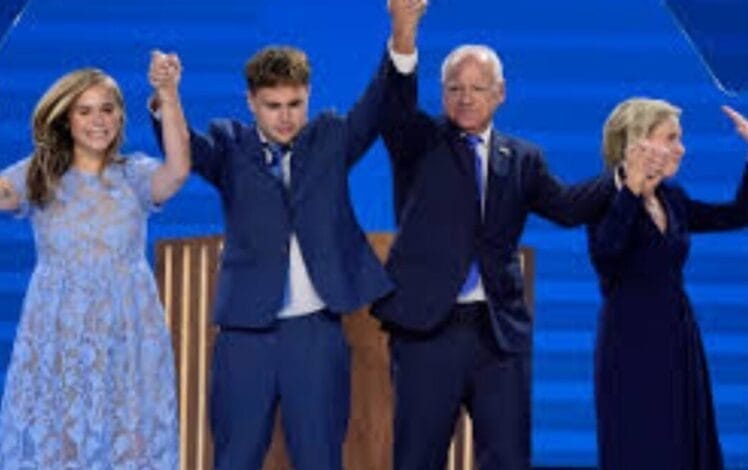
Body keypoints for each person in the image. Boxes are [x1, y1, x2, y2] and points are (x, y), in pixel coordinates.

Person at [147, 1, 427, 468]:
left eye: (295, 104)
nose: (284, 116)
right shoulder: (229, 144)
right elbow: (184, 151)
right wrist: (167, 97)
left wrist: (403, 30)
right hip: (244, 335)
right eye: (272, 106)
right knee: (235, 458)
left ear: (309, 97)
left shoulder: (332, 137)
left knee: (320, 458)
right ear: (250, 102)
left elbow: (383, 100)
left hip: (316, 333)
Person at [372, 8, 613, 469]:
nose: (465, 98)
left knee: (508, 458)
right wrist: (404, 33)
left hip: (498, 335)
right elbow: (395, 107)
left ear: (499, 94)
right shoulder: (418, 140)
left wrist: (620, 177)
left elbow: (565, 208)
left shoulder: (522, 158)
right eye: (454, 89)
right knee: (417, 457)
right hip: (427, 331)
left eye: (477, 89)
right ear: (442, 94)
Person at [0, 54, 189, 468]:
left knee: (129, 443)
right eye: (84, 111)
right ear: (66, 119)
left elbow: (177, 172)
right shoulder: (40, 175)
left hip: (127, 339)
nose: (98, 120)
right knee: (62, 446)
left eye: (107, 109)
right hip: (60, 340)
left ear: (121, 116)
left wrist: (168, 94)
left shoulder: (135, 176)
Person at [589, 98, 748, 470]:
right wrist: (631, 191)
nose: (681, 148)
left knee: (682, 443)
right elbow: (606, 255)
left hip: (677, 336)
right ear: (639, 143)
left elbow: (736, 215)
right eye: (671, 137)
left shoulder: (672, 198)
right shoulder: (602, 197)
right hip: (631, 343)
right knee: (644, 442)